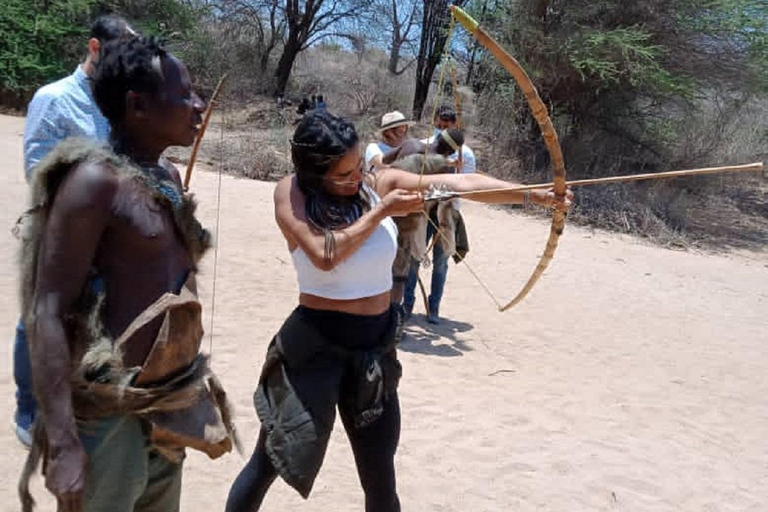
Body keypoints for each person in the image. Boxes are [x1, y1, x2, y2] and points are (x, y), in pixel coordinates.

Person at [225, 110, 571, 512]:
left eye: (358, 166)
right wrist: (381, 211)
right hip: (313, 347)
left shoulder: (377, 184)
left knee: (380, 477)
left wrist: (535, 195)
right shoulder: (292, 192)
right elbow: (323, 254)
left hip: (373, 347)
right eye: (344, 175)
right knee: (269, 461)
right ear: (314, 173)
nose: (358, 178)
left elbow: (458, 182)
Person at [18, 36, 235, 512]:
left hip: (165, 405)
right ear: (137, 105)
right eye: (184, 95)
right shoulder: (93, 183)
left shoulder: (167, 178)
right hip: (106, 416)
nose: (199, 106)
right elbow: (47, 310)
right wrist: (64, 442)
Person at [14, 14, 136, 448]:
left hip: (108, 236)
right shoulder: (55, 98)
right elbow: (38, 167)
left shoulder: (117, 102)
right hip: (59, 230)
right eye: (117, 55)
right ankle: (29, 412)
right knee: (42, 314)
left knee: (95, 316)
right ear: (94, 48)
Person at [404, 104, 476, 323]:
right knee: (414, 257)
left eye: (446, 126)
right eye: (439, 125)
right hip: (423, 211)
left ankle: (434, 308)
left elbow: (467, 184)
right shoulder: (425, 146)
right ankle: (406, 305)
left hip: (447, 212)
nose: (441, 129)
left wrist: (456, 170)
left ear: (454, 126)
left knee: (441, 262)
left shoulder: (466, 154)